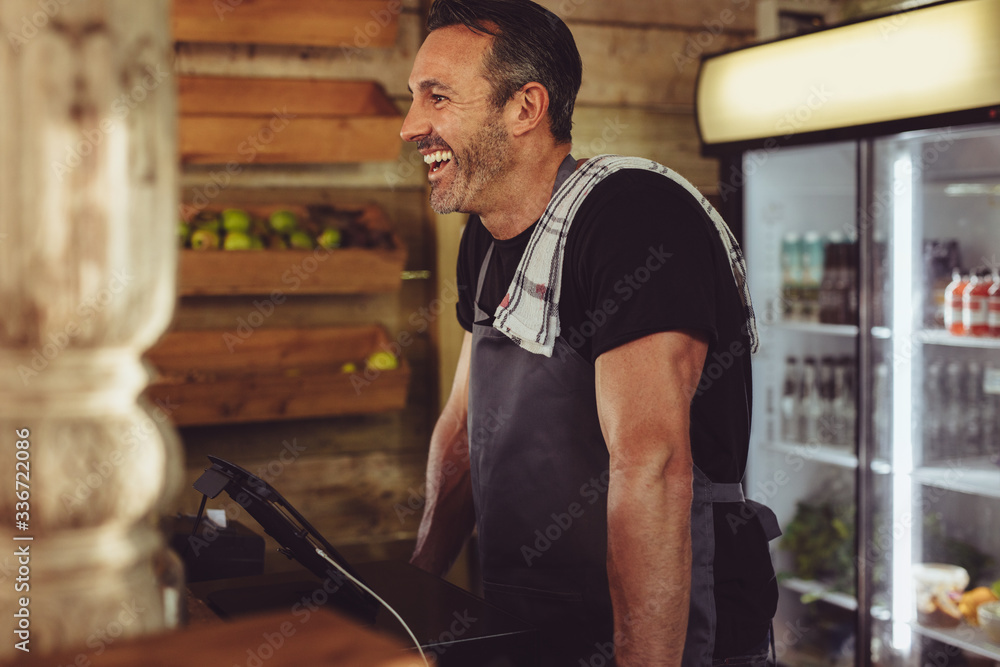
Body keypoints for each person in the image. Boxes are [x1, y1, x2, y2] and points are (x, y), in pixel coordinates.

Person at [400, 1, 779, 664]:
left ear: (525, 107)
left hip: (675, 630)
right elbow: (464, 426)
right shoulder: (484, 241)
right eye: (414, 98)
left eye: (438, 97)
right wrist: (407, 602)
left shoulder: (634, 218)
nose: (411, 126)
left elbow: (652, 466)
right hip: (533, 619)